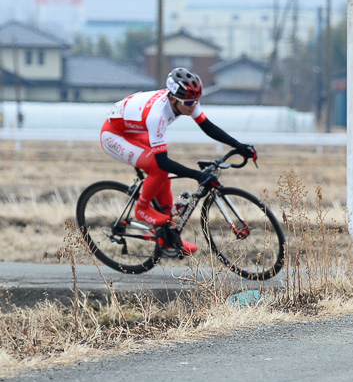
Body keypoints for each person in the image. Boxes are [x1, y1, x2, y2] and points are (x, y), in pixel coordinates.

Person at [100, 67, 257, 256]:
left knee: (162, 173)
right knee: (159, 166)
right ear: (173, 99)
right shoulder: (157, 115)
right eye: (190, 102)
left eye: (197, 100)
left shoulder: (185, 100)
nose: (194, 106)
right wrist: (197, 175)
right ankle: (142, 208)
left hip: (133, 131)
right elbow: (163, 162)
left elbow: (207, 126)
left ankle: (169, 237)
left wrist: (239, 146)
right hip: (113, 136)